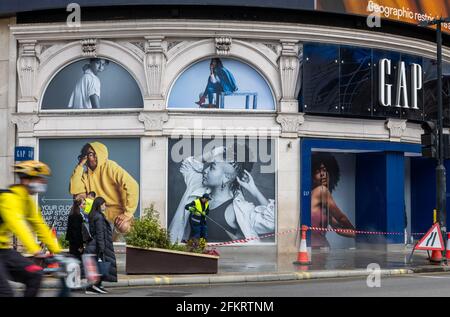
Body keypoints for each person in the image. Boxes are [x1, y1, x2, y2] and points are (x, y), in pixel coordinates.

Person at [169, 143, 275, 243]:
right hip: (189, 260)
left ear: (226, 177)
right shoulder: (197, 187)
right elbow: (188, 166)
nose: (205, 170)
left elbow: (273, 221)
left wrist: (254, 190)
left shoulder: (240, 210)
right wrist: (212, 153)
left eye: (212, 167)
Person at [0, 160, 62, 297]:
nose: (43, 182)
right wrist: (36, 251)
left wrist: (58, 252)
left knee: (36, 274)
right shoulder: (9, 198)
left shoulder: (27, 201)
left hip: (4, 252)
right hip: (3, 252)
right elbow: (18, 224)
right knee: (6, 293)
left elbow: (39, 224)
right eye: (39, 179)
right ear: (26, 180)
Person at [69, 141, 139, 237]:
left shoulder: (110, 166)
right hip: (98, 213)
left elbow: (133, 185)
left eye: (96, 153)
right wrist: (80, 166)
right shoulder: (85, 175)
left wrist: (128, 214)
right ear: (85, 157)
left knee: (124, 226)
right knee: (77, 200)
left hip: (118, 212)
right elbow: (76, 191)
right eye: (90, 154)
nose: (94, 156)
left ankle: (122, 246)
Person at [310, 152, 355, 248]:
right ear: (312, 178)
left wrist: (357, 235)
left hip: (320, 249)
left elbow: (338, 229)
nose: (323, 175)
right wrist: (356, 231)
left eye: (324, 170)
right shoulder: (321, 191)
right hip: (316, 249)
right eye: (318, 172)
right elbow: (341, 218)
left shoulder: (321, 201)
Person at [84, 197, 117, 294]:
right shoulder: (98, 216)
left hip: (94, 244)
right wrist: (102, 248)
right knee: (99, 266)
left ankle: (96, 285)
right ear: (99, 205)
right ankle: (93, 287)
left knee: (95, 267)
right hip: (98, 246)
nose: (105, 206)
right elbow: (100, 233)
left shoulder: (93, 215)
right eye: (103, 205)